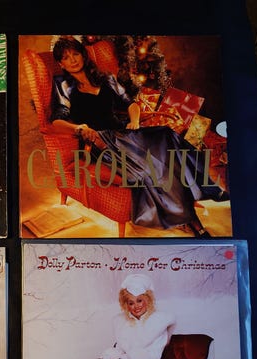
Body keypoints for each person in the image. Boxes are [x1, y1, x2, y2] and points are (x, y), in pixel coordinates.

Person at [50, 36, 229, 238]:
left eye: (75, 54)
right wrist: (78, 128)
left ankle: (205, 190)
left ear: (83, 55)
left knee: (167, 136)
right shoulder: (63, 86)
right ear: (61, 64)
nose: (72, 60)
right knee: (157, 165)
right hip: (102, 143)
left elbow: (130, 103)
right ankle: (191, 221)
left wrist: (134, 120)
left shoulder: (106, 78)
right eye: (66, 58)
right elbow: (56, 121)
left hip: (125, 133)